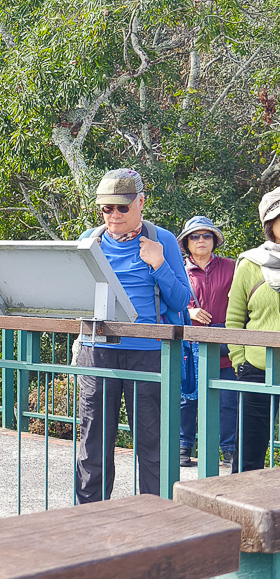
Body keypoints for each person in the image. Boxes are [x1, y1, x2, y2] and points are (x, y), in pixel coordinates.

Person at [75, 169, 191, 504]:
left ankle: (156, 520)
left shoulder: (163, 240)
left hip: (148, 353)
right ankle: (91, 518)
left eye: (122, 208)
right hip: (98, 352)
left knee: (152, 443)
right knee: (93, 442)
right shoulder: (90, 240)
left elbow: (182, 301)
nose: (113, 215)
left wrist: (158, 264)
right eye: (106, 209)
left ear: (141, 202)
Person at [224, 185, 280, 473]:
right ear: (270, 224)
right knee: (250, 451)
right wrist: (239, 360)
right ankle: (241, 514)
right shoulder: (250, 264)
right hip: (258, 368)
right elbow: (234, 318)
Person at [176, 216, 237, 469]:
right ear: (186, 242)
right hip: (190, 346)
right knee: (186, 398)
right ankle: (183, 447)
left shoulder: (232, 267)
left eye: (206, 235)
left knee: (229, 399)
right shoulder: (177, 270)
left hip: (225, 344)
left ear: (214, 240)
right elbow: (165, 302)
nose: (201, 240)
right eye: (194, 236)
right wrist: (188, 311)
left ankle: (230, 451)